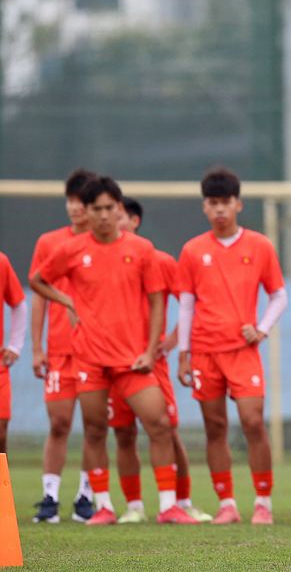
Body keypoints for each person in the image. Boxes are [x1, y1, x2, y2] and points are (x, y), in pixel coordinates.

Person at [32, 176, 197, 525]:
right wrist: (68, 302)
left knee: (160, 424)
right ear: (86, 213)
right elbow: (37, 280)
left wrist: (151, 350)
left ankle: (168, 506)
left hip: (133, 360)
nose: (104, 215)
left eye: (110, 208)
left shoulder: (142, 250)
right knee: (94, 431)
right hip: (89, 360)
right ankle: (105, 506)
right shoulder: (72, 250)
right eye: (97, 209)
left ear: (120, 209)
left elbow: (156, 303)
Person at [177, 167, 288, 525]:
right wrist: (183, 354)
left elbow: (279, 295)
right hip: (205, 352)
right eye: (212, 203)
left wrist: (262, 328)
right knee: (214, 426)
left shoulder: (259, 245)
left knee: (253, 422)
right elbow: (187, 304)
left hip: (242, 351)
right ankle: (226, 503)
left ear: (238, 204)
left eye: (225, 202)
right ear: (204, 207)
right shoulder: (192, 250)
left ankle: (263, 503)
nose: (220, 209)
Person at [107, 197, 211, 523]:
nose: (110, 220)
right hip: (110, 363)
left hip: (151, 364)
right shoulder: (100, 258)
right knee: (122, 434)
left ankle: (180, 501)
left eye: (117, 214)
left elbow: (190, 304)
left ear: (134, 220)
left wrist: (171, 342)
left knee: (167, 431)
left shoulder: (160, 260)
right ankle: (134, 506)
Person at [29, 168, 98, 523]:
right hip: (58, 349)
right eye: (69, 200)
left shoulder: (105, 245)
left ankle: (86, 496)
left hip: (94, 352)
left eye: (80, 202)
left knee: (92, 424)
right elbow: (38, 296)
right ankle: (50, 496)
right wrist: (37, 348)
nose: (74, 208)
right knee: (59, 423)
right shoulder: (49, 243)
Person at [0, 250, 27, 454]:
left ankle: (3, 487)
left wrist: (15, 345)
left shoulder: (1, 262)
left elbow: (18, 303)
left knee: (0, 434)